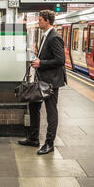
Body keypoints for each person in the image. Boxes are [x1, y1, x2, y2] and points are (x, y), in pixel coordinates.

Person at [18, 9, 67, 155]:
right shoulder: (46, 36)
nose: (38, 22)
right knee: (33, 106)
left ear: (47, 21)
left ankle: (49, 143)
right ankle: (33, 138)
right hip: (42, 80)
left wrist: (41, 63)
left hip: (51, 82)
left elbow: (60, 60)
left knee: (51, 113)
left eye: (40, 20)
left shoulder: (54, 37)